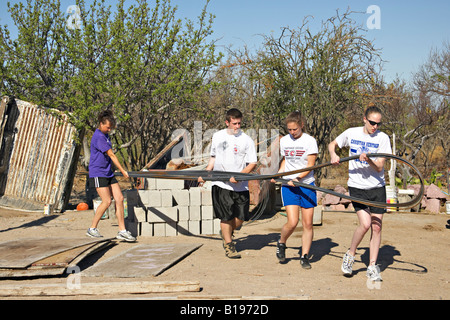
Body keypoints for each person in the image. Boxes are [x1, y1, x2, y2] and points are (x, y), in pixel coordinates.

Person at [328, 105, 392, 281]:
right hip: (357, 186)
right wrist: (333, 154)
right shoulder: (352, 133)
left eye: (378, 124)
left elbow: (379, 166)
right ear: (364, 119)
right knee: (365, 224)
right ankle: (350, 253)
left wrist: (369, 159)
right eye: (372, 123)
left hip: (377, 187)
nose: (375, 127)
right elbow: (332, 144)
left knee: (377, 226)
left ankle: (372, 266)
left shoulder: (383, 138)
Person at [198, 108, 257, 259]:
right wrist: (205, 174)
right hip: (221, 184)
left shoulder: (247, 140)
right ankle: (229, 245)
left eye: (239, 123)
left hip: (240, 184)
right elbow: (213, 158)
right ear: (227, 122)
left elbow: (252, 163)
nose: (237, 126)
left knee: (240, 218)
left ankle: (226, 232)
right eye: (234, 123)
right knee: (226, 216)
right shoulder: (217, 136)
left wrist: (240, 176)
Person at [272, 111, 318, 269]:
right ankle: (282, 242)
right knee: (292, 222)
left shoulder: (310, 141)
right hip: (288, 185)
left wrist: (298, 179)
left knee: (308, 224)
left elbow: (310, 164)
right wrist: (279, 174)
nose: (292, 132)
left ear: (301, 125)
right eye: (289, 129)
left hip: (306, 185)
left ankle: (304, 256)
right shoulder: (284, 141)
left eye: (295, 130)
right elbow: (285, 160)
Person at [87, 110, 136, 242]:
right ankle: (92, 228)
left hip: (108, 172)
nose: (109, 129)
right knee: (107, 201)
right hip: (98, 172)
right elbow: (111, 155)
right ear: (101, 124)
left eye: (111, 127)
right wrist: (123, 171)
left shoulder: (106, 135)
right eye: (107, 127)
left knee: (119, 199)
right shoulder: (98, 137)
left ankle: (122, 230)